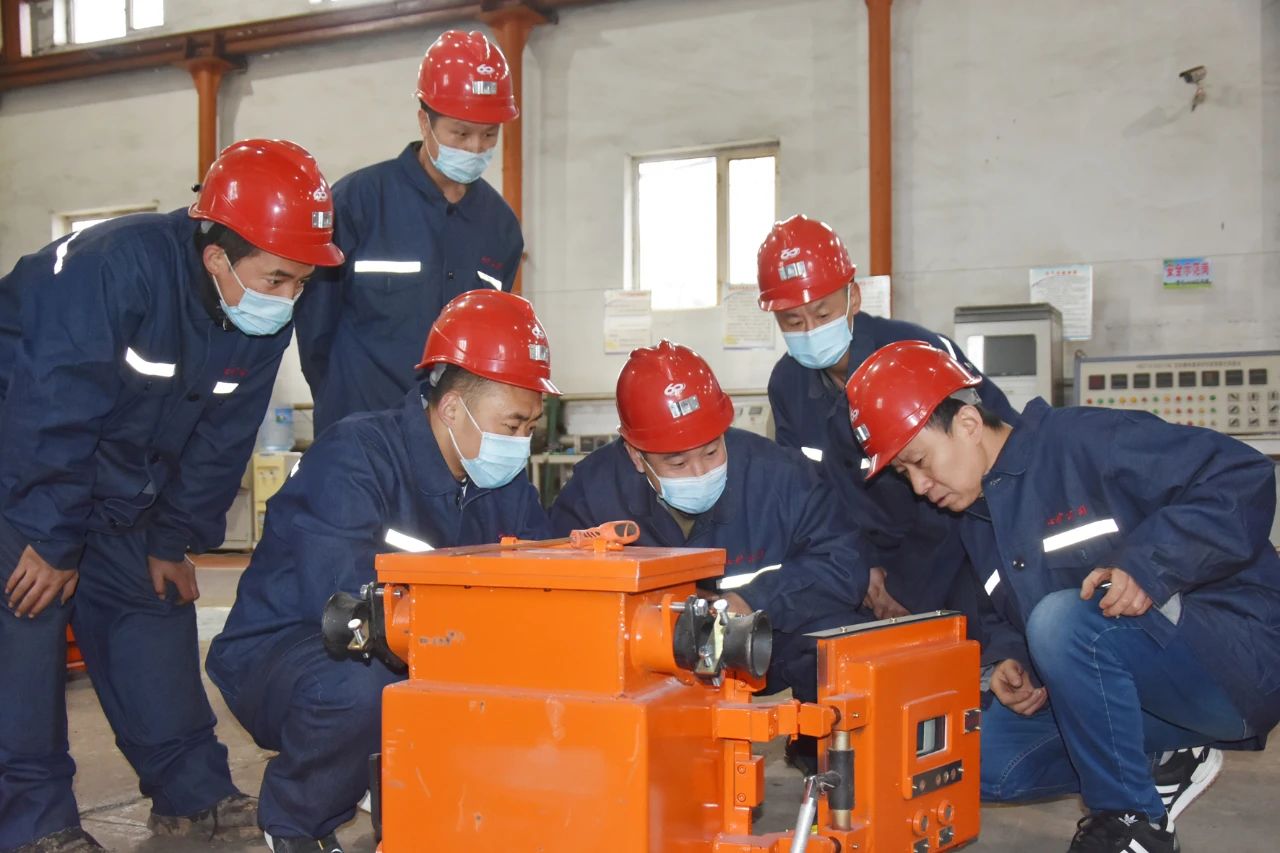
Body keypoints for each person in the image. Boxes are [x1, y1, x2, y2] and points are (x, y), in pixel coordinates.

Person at [0, 139, 343, 851]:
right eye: (279, 277)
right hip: (22, 463)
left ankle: (192, 793)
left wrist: (170, 538)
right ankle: (34, 822)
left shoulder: (257, 312)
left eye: (302, 281)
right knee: (25, 622)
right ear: (217, 255)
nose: (289, 297)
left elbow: (224, 435)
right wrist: (50, 538)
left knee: (151, 608)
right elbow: (53, 406)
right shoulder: (111, 269)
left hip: (118, 476)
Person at [845, 339, 1280, 853]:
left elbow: (1242, 475)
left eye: (920, 461)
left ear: (967, 423)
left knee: (1060, 620)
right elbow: (1005, 614)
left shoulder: (1086, 442)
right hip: (1147, 696)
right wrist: (1011, 660)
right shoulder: (980, 520)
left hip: (1236, 661)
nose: (919, 486)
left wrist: (1149, 565)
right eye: (904, 474)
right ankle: (1168, 760)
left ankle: (1131, 822)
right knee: (974, 760)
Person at [208, 290, 557, 852]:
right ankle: (298, 821)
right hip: (291, 651)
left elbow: (545, 575)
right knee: (365, 686)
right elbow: (343, 604)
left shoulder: (504, 484)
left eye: (530, 428)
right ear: (452, 409)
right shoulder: (356, 456)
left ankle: (401, 782)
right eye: (512, 425)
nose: (521, 444)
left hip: (423, 646)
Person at [550, 340, 872, 707]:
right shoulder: (593, 494)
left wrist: (751, 601)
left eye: (711, 451)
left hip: (764, 654)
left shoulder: (781, 477)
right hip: (646, 668)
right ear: (636, 455)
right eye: (677, 463)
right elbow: (559, 598)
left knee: (840, 639)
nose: (700, 472)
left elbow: (842, 561)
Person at [295, 29, 525, 434]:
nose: (475, 148)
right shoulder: (357, 204)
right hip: (359, 431)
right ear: (425, 121)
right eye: (460, 133)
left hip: (450, 439)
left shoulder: (500, 227)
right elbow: (316, 329)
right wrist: (340, 401)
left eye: (489, 134)